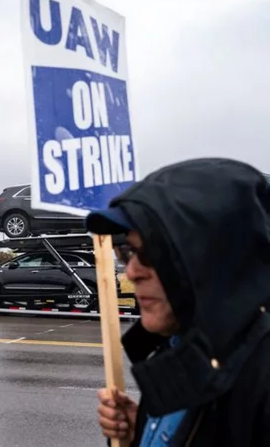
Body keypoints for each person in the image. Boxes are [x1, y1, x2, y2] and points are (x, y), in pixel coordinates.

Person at [84, 157, 270, 446]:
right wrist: (141, 434)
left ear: (214, 257)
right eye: (128, 252)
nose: (132, 271)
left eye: (153, 252)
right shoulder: (178, 349)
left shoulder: (261, 383)